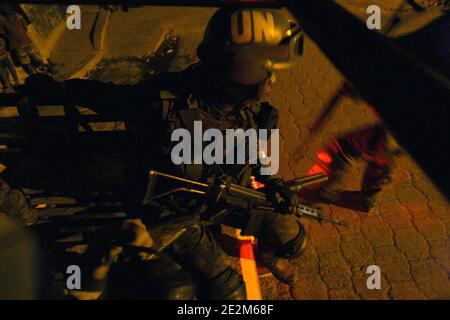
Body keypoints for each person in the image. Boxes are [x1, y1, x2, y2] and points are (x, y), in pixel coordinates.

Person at [24, 8, 307, 299]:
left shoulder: (259, 114)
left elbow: (259, 160)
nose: (273, 79)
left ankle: (268, 255)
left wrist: (273, 183)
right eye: (268, 69)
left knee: (292, 238)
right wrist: (59, 90)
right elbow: (110, 98)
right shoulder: (165, 102)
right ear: (241, 69)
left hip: (225, 197)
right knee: (230, 295)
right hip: (173, 212)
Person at [0, 4, 50, 76]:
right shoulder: (18, 16)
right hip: (25, 40)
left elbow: (3, 32)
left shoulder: (3, 21)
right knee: (34, 56)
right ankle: (45, 71)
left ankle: (35, 75)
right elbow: (25, 27)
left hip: (16, 44)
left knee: (25, 61)